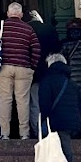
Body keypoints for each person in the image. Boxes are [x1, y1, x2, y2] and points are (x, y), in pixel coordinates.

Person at [35, 54, 81, 162]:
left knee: (65, 157)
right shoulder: (71, 82)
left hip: (56, 123)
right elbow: (80, 106)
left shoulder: (47, 81)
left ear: (50, 65)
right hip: (71, 124)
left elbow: (44, 105)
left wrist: (45, 119)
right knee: (56, 150)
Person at [0, 2, 40, 140]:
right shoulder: (28, 29)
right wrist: (32, 66)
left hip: (5, 68)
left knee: (5, 101)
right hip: (24, 68)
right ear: (21, 14)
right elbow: (36, 49)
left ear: (8, 13)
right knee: (23, 101)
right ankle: (24, 133)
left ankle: (4, 133)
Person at [26, 9, 59, 138]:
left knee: (33, 103)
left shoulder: (24, 30)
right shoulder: (49, 29)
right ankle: (51, 130)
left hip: (30, 73)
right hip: (48, 72)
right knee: (50, 102)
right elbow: (56, 49)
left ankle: (37, 131)